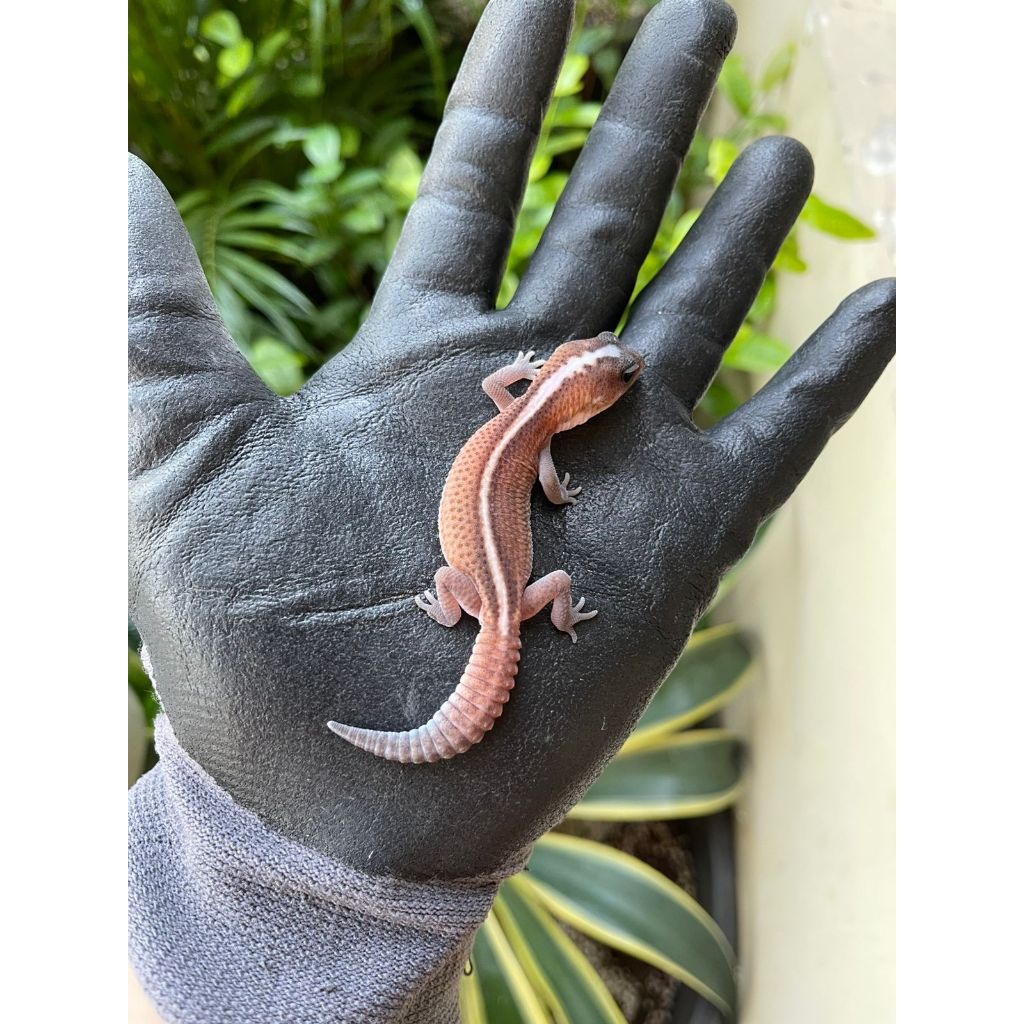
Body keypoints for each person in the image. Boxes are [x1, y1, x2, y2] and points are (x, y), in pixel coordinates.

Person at [127, 0, 895, 1020]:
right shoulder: (534, 448)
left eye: (609, 374)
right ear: (575, 391)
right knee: (499, 595)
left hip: (488, 594)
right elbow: (535, 465)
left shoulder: (522, 417)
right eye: (609, 376)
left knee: (490, 602)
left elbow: (514, 416)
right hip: (496, 595)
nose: (616, 376)